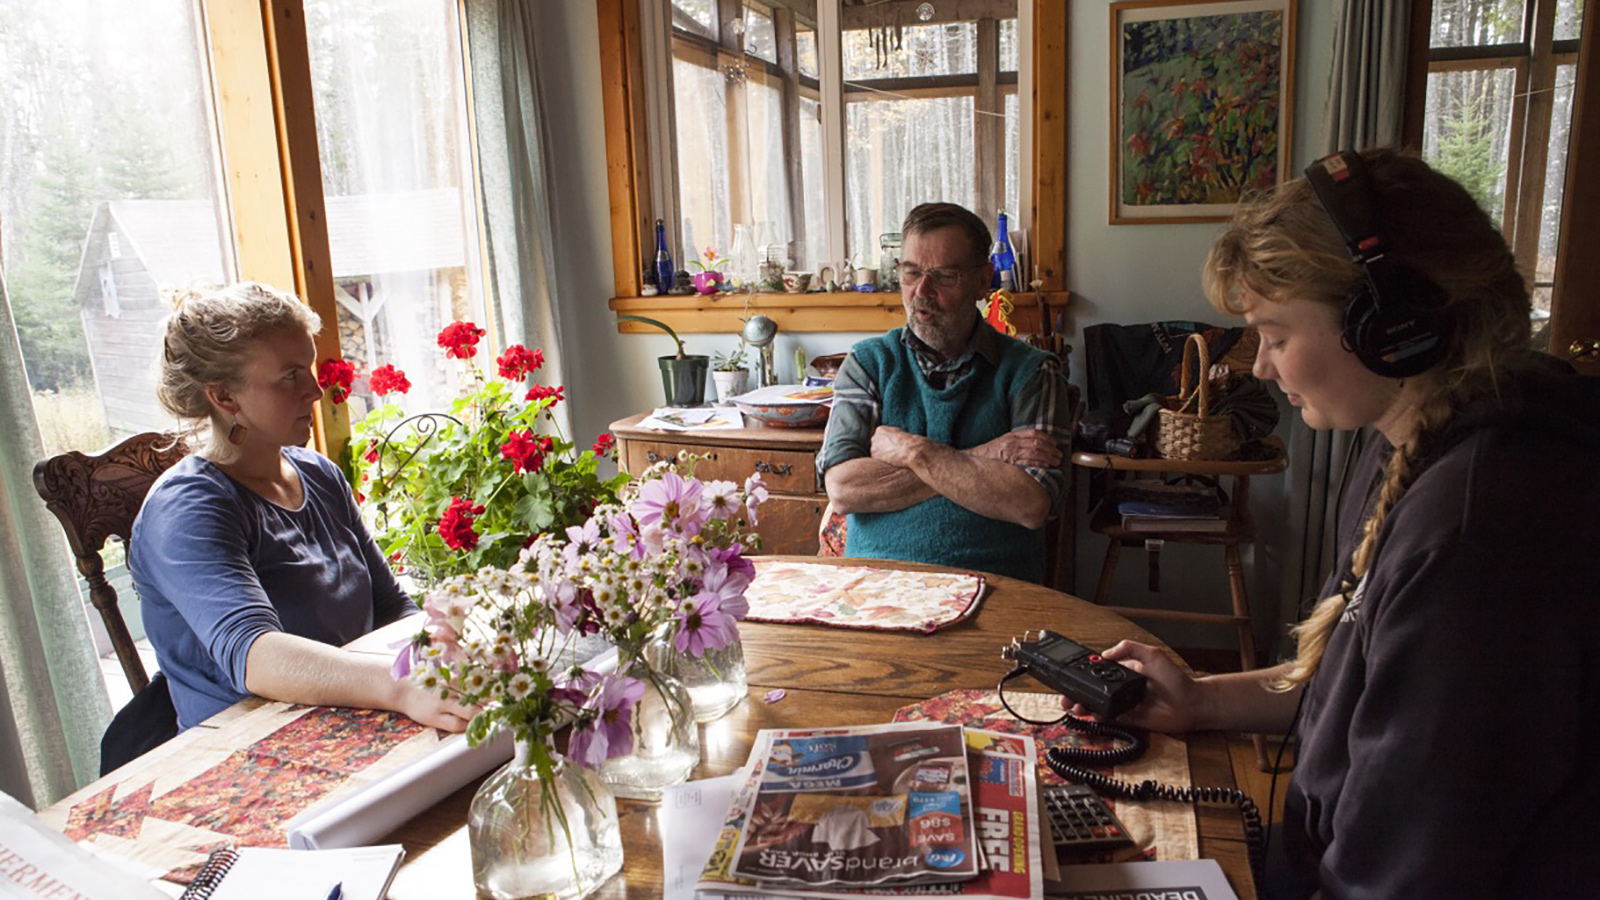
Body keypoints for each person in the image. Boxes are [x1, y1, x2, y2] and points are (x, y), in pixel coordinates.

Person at [1096, 149, 1600, 899]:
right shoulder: (1407, 445)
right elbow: (1349, 681)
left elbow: (1412, 868)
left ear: (1389, 326)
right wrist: (1202, 699)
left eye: (1274, 334)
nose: (1261, 368)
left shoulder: (1480, 533)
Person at [130, 282, 475, 733]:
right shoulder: (186, 510)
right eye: (290, 376)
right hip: (250, 751)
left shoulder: (318, 474)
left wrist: (440, 651)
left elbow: (389, 605)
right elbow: (256, 655)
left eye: (308, 369)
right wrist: (402, 684)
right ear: (224, 397)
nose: (315, 391)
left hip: (354, 719)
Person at [817, 202, 1073, 583]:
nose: (922, 291)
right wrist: (985, 454)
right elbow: (843, 489)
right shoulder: (868, 363)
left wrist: (911, 451)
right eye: (911, 273)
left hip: (995, 588)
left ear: (983, 279)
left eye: (944, 276)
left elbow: (1031, 504)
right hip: (875, 585)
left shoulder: (1032, 371)